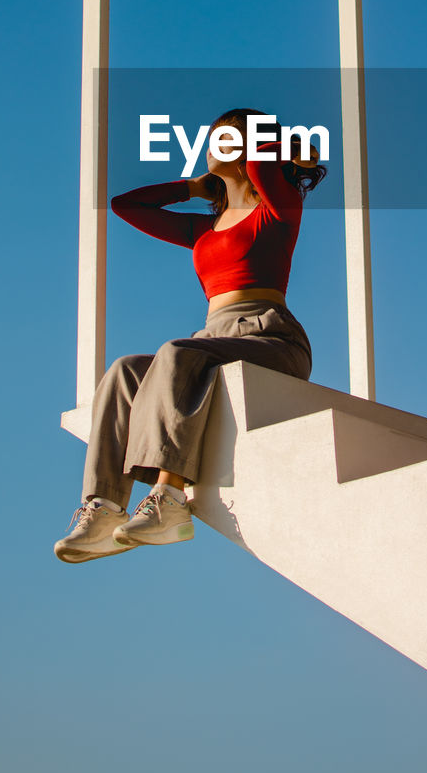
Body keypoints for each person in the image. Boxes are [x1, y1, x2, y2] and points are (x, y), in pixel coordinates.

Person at [54, 107, 327, 563]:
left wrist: (267, 147)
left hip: (268, 335)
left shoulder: (277, 208)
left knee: (176, 351)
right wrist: (191, 188)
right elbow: (126, 206)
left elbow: (261, 166)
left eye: (220, 139)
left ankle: (170, 499)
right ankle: (102, 508)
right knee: (125, 371)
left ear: (248, 145)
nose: (207, 147)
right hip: (212, 339)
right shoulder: (204, 228)